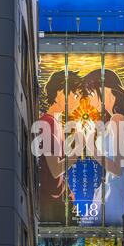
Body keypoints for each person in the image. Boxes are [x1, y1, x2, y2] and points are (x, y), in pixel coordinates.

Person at [81, 69, 124, 225]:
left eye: (92, 94)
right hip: (111, 187)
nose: (91, 101)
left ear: (104, 89)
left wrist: (91, 146)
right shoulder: (112, 120)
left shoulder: (118, 119)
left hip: (116, 191)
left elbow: (117, 168)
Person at [38, 71, 82, 224]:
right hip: (51, 207)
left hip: (58, 203)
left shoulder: (55, 123)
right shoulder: (48, 124)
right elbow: (54, 169)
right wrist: (76, 153)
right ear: (60, 93)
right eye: (75, 95)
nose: (78, 101)